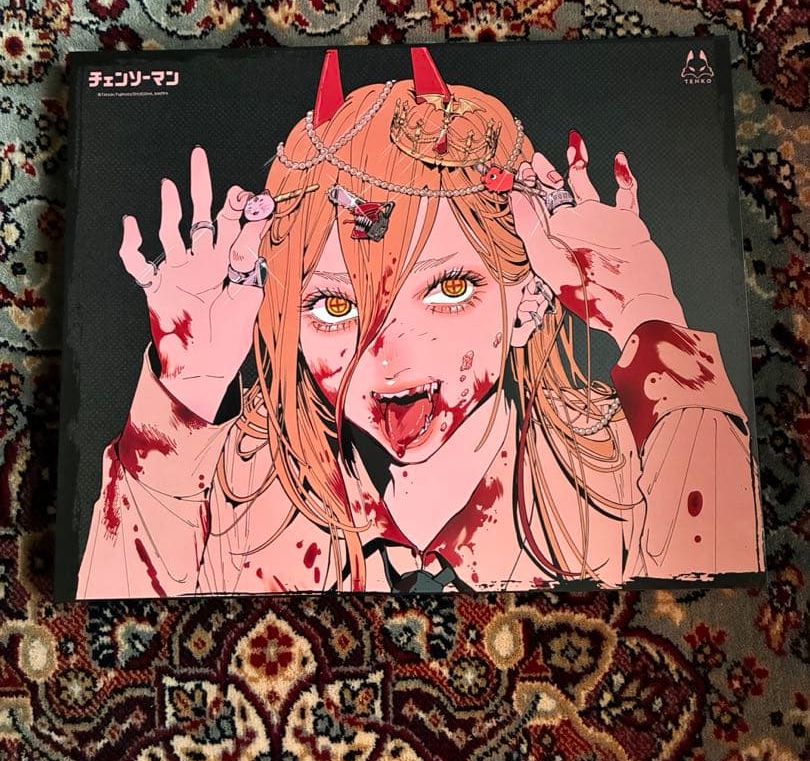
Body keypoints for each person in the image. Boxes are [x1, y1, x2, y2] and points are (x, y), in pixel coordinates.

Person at [77, 48, 763, 597]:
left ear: (527, 301)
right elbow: (117, 639)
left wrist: (650, 319)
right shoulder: (235, 484)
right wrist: (183, 398)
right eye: (336, 307)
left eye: (449, 289)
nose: (388, 356)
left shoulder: (629, 459)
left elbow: (722, 623)